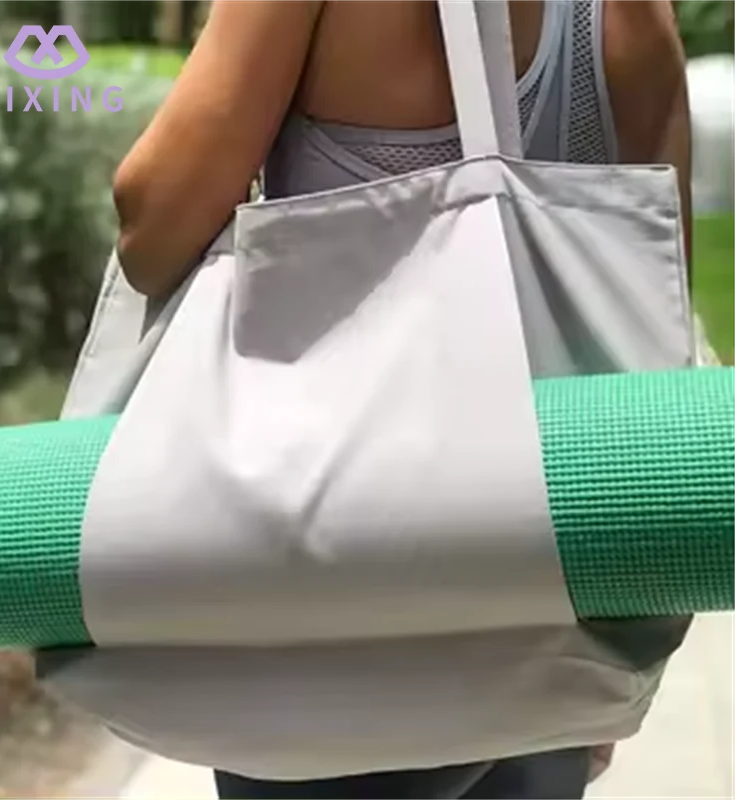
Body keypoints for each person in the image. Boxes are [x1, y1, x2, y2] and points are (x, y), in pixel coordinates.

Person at [111, 0, 692, 797]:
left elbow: (150, 228)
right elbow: (655, 323)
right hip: (549, 620)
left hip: (325, 613)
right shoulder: (637, 15)